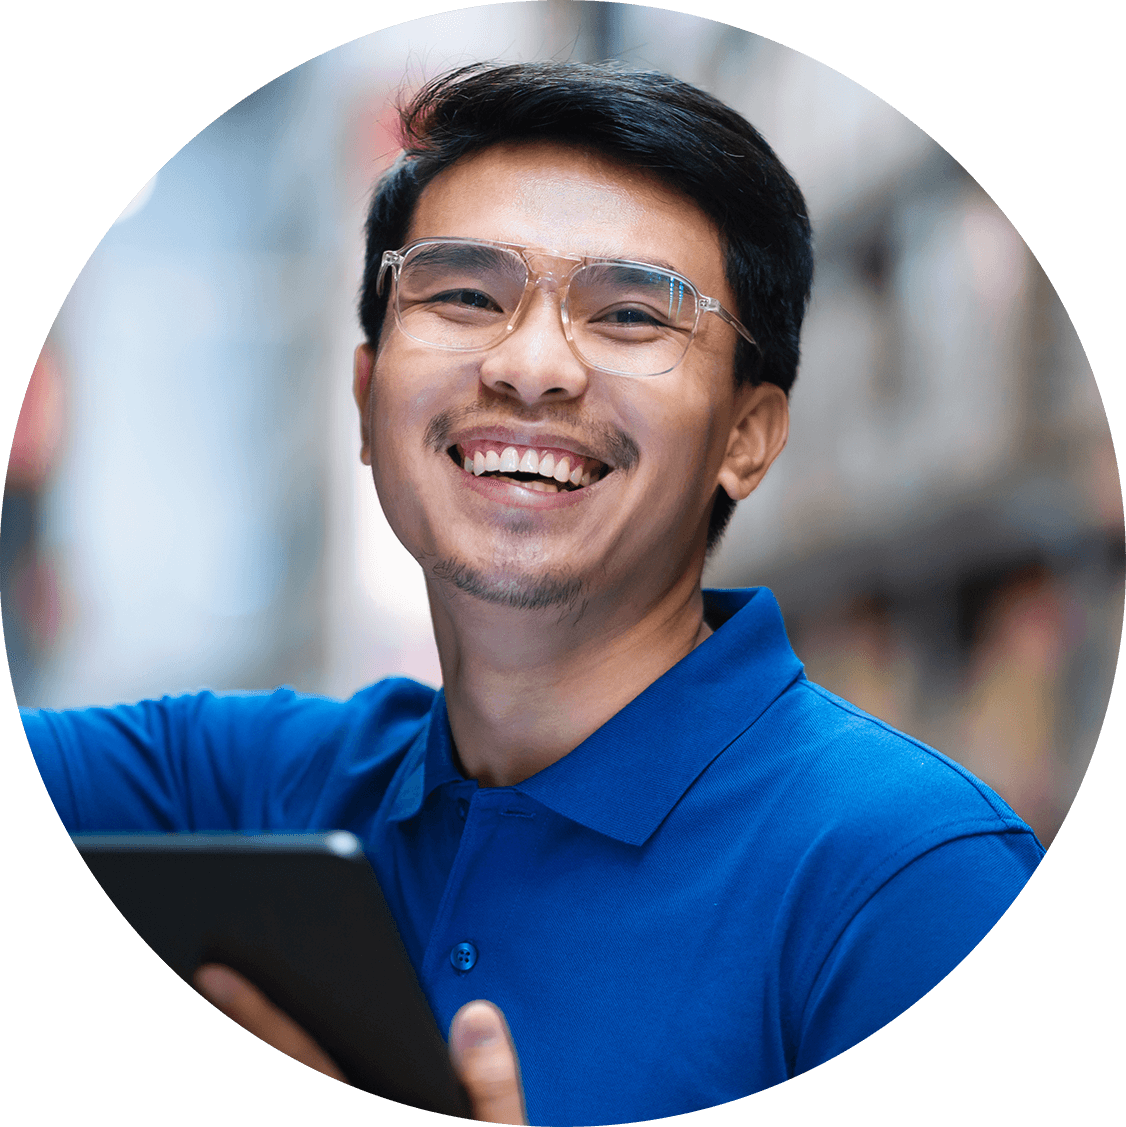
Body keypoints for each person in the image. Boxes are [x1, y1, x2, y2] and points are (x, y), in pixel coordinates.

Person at [22, 61, 1044, 1124]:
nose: (530, 364)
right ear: (368, 399)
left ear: (746, 436)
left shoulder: (908, 879)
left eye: (633, 315)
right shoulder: (235, 796)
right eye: (463, 294)